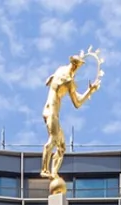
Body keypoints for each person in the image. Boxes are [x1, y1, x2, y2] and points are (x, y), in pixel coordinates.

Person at [39, 51, 102, 195]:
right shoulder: (68, 80)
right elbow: (77, 103)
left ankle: (54, 172)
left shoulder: (60, 69)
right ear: (76, 66)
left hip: (48, 110)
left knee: (61, 147)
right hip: (52, 113)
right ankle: (44, 170)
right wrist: (90, 91)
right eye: (79, 66)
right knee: (53, 140)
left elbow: (50, 80)